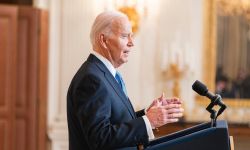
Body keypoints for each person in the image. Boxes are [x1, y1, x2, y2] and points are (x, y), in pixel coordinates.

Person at [67, 11, 184, 150]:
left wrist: (146, 114)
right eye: (124, 36)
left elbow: (115, 122)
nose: (131, 43)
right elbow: (99, 138)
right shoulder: (91, 78)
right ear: (104, 40)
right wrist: (148, 121)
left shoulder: (104, 74)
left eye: (131, 36)